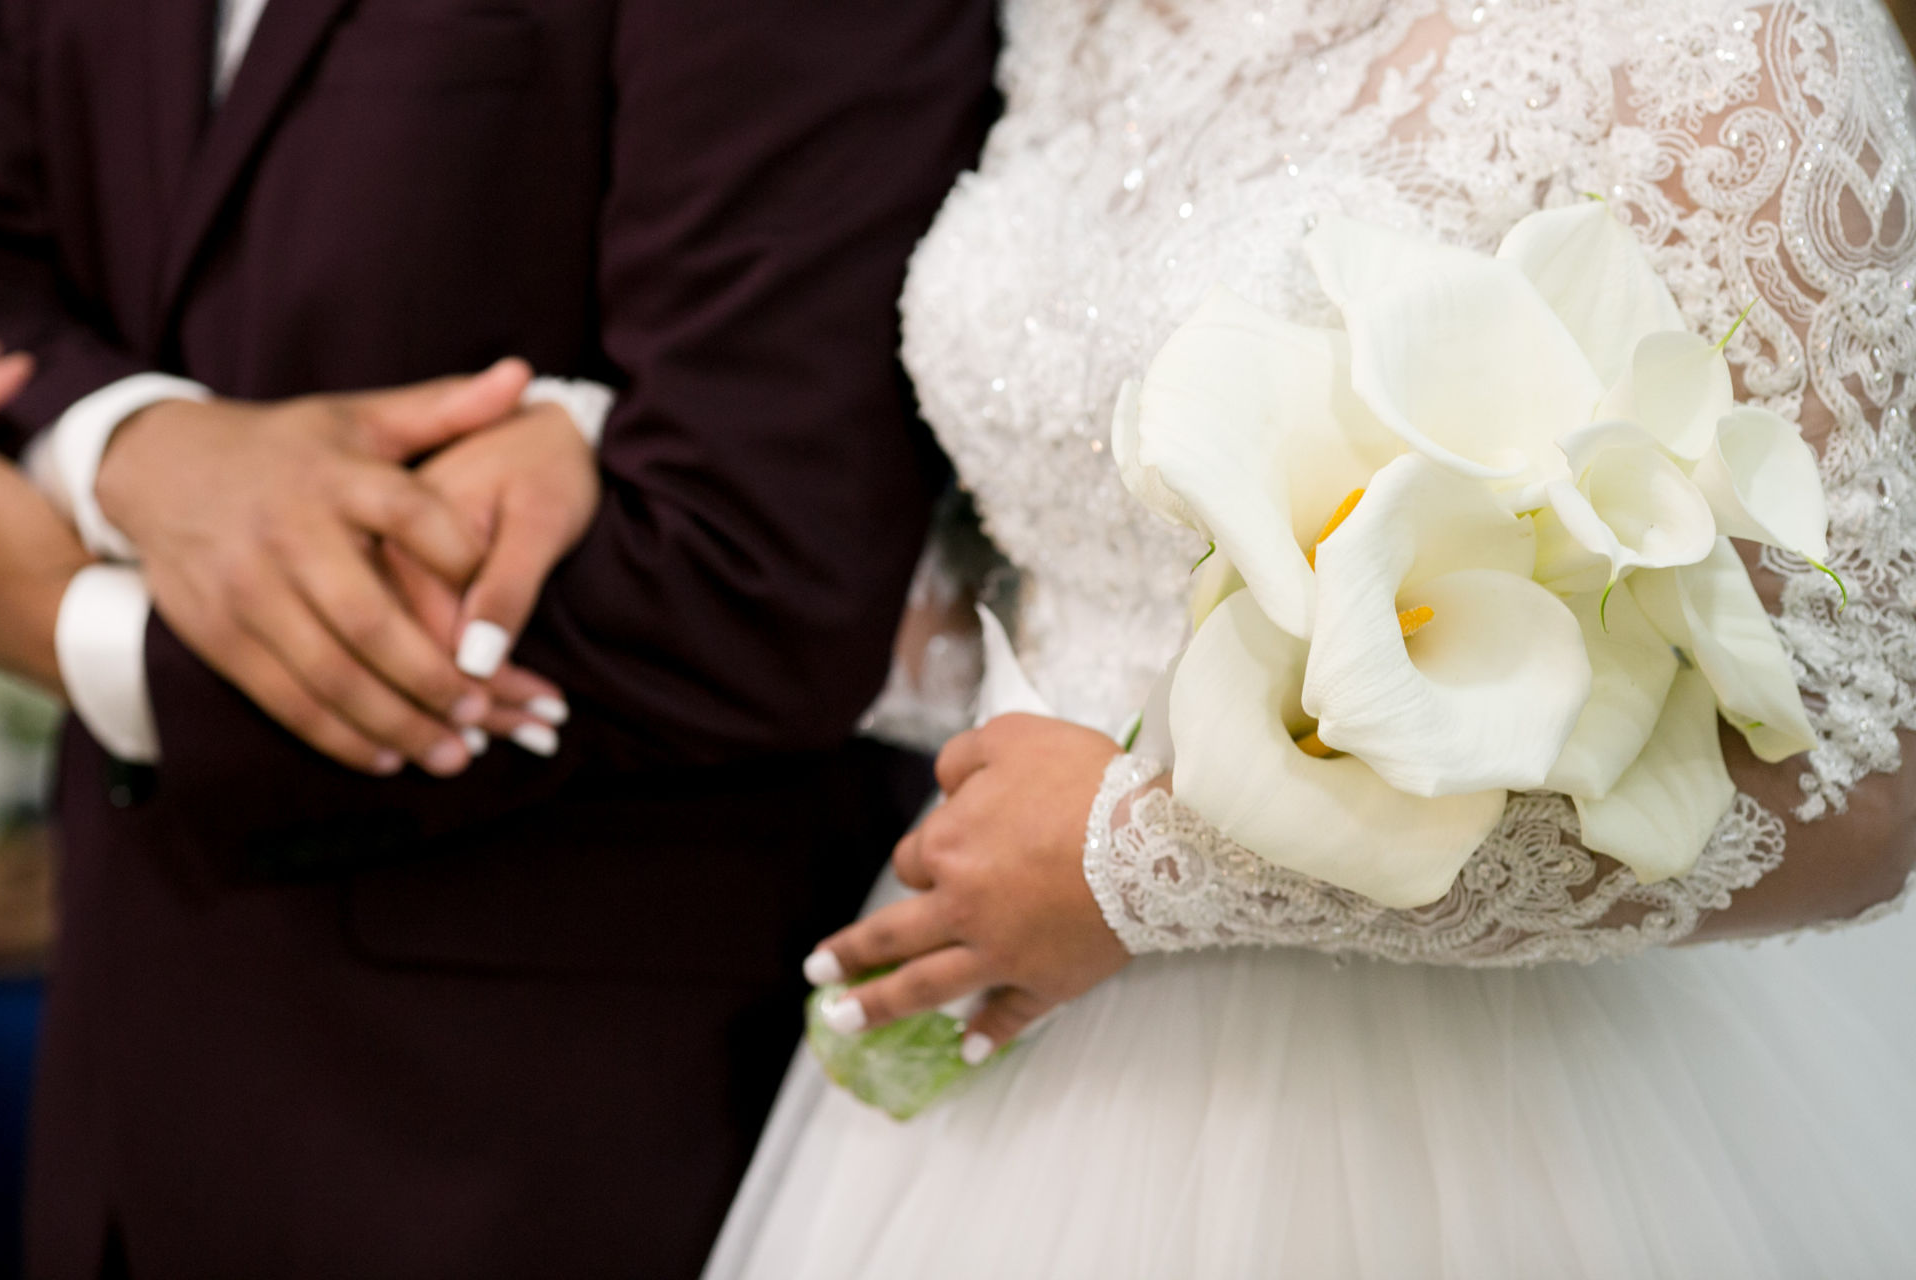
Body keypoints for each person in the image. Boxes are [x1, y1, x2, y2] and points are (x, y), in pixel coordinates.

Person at [707, 0, 1916, 1275]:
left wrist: (1144, 863)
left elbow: (1858, 789)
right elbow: (1041, 548)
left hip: (1458, 1109)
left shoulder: (1720, 43)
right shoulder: (1069, 18)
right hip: (1022, 1018)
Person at [0, 3, 998, 1276]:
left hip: (533, 1131)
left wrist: (81, 630)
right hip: (121, 1073)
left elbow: (750, 566)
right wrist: (130, 441)